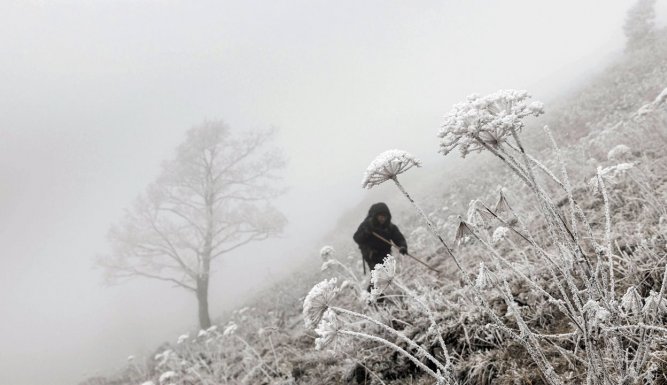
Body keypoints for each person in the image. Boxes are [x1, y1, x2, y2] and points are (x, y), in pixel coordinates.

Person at [353, 202, 408, 289]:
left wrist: (403, 247)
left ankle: (375, 297)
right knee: (378, 276)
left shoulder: (390, 227)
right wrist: (366, 232)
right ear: (376, 216)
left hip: (385, 254)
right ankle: (375, 298)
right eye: (380, 216)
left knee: (385, 276)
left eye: (385, 216)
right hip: (371, 255)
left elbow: (399, 238)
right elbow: (357, 238)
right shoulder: (367, 225)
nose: (383, 218)